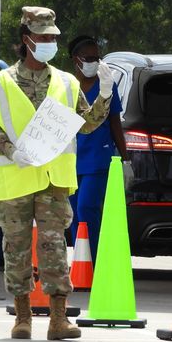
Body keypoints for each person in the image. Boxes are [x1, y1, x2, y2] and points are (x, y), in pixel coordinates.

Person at [0, 6, 112, 341]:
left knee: (54, 248)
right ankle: (22, 317)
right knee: (16, 248)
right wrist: (11, 151)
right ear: (27, 39)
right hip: (15, 176)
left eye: (53, 37)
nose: (50, 42)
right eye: (43, 37)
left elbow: (86, 124)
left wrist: (104, 97)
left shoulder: (67, 82)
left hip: (53, 179)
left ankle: (58, 319)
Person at [66, 35, 128, 265]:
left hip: (97, 158)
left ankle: (93, 260)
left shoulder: (107, 86)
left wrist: (125, 158)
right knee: (73, 213)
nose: (95, 62)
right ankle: (81, 261)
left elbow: (115, 123)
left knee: (86, 208)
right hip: (71, 160)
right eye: (89, 58)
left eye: (97, 58)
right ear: (76, 60)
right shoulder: (68, 86)